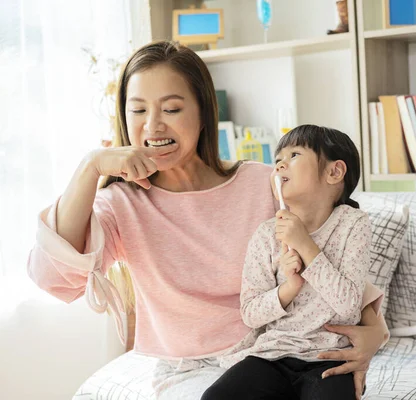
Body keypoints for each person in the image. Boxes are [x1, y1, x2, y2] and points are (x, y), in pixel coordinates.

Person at [26, 40, 389, 400]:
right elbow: (54, 279)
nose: (153, 125)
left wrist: (374, 332)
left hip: (276, 353)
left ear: (203, 114)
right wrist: (90, 166)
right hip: (190, 370)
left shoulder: (265, 184)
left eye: (171, 109)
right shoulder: (121, 205)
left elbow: (333, 258)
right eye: (137, 111)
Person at [201, 124, 375, 400]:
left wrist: (306, 245)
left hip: (329, 357)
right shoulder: (266, 234)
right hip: (272, 356)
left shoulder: (353, 224)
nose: (281, 165)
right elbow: (250, 313)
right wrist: (289, 288)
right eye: (278, 160)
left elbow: (348, 307)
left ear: (334, 172)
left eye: (294, 155)